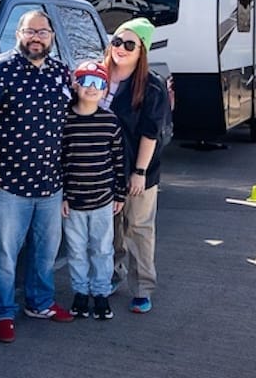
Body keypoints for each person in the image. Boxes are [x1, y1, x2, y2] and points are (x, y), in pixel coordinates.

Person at [0, 9, 75, 344]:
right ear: (18, 34)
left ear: (52, 37)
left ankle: (40, 303)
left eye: (43, 32)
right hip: (7, 185)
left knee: (45, 251)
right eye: (30, 31)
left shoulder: (60, 73)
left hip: (50, 183)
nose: (36, 37)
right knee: (4, 255)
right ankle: (2, 314)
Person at [102, 17, 168, 314]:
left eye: (130, 44)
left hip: (137, 169)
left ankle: (142, 288)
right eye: (117, 41)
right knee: (111, 230)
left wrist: (139, 172)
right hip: (102, 170)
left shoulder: (151, 85)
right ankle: (114, 275)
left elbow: (149, 133)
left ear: (142, 50)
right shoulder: (96, 76)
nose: (121, 48)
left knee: (138, 228)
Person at [61, 61, 125, 320]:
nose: (92, 88)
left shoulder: (110, 121)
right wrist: (62, 195)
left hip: (102, 200)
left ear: (105, 90)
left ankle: (100, 294)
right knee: (76, 250)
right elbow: (59, 160)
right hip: (73, 202)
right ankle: (80, 292)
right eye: (86, 81)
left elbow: (118, 159)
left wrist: (119, 193)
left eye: (98, 83)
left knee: (102, 248)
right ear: (76, 85)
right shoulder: (64, 120)